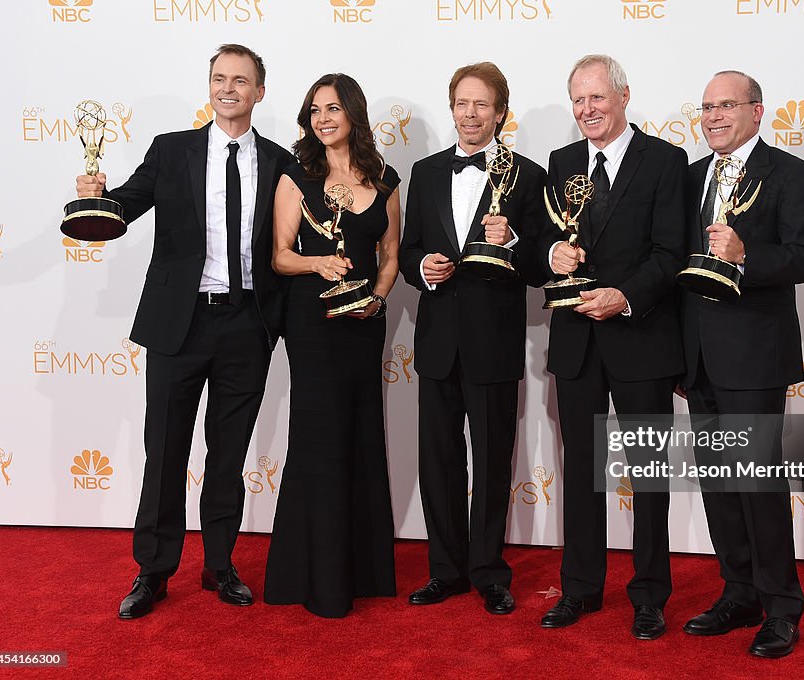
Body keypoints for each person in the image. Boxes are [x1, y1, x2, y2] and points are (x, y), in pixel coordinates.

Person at [74, 44, 295, 619]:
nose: (229, 88)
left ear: (259, 91)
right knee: (165, 449)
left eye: (241, 80)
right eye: (220, 79)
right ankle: (153, 569)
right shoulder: (170, 151)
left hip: (248, 323)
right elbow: (124, 208)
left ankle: (220, 565)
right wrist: (94, 201)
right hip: (180, 323)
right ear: (210, 87)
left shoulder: (279, 162)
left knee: (229, 454)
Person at [537, 54, 687, 640]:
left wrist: (624, 296)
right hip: (576, 338)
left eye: (597, 97)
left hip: (640, 336)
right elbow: (552, 238)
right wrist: (553, 255)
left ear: (624, 96)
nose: (586, 110)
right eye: (577, 100)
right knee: (582, 471)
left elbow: (671, 253)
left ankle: (649, 595)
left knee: (649, 473)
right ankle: (580, 588)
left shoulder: (666, 161)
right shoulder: (563, 162)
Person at [679, 70, 804, 658]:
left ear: (758, 111)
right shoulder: (689, 178)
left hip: (755, 358)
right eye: (707, 107)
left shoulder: (790, 174)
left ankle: (782, 607)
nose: (714, 116)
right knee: (718, 484)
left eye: (727, 106)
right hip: (698, 357)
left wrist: (747, 255)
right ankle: (738, 593)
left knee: (758, 486)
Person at [399, 62, 547, 616]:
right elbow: (409, 247)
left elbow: (539, 265)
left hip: (493, 344)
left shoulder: (528, 176)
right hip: (437, 340)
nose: (469, 114)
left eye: (481, 104)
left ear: (500, 112)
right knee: (438, 461)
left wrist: (513, 241)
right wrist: (423, 266)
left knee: (490, 463)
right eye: (462, 102)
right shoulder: (427, 171)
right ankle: (445, 570)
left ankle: (488, 570)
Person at [264, 73, 401, 618]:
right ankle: (316, 578)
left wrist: (380, 297)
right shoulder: (296, 174)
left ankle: (363, 572)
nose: (322, 118)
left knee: (362, 433)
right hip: (314, 324)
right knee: (320, 437)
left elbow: (390, 251)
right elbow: (279, 254)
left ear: (353, 115)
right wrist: (318, 262)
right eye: (315, 110)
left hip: (364, 323)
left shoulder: (384, 178)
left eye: (333, 109)